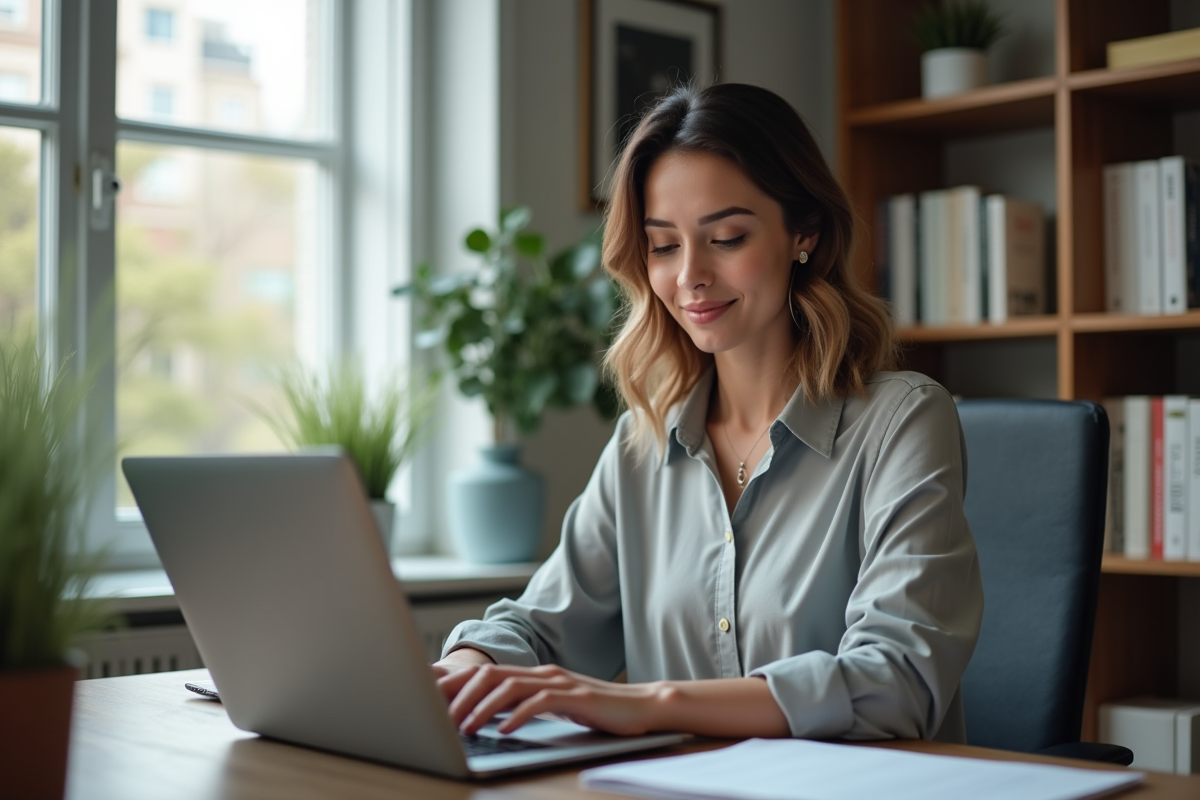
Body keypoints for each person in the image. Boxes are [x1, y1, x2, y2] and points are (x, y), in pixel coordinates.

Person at [433, 83, 983, 743]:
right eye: (663, 245)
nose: (690, 274)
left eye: (725, 237)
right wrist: (469, 666)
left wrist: (652, 703)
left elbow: (895, 684)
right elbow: (541, 625)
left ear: (803, 232)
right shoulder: (643, 443)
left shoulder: (902, 422)